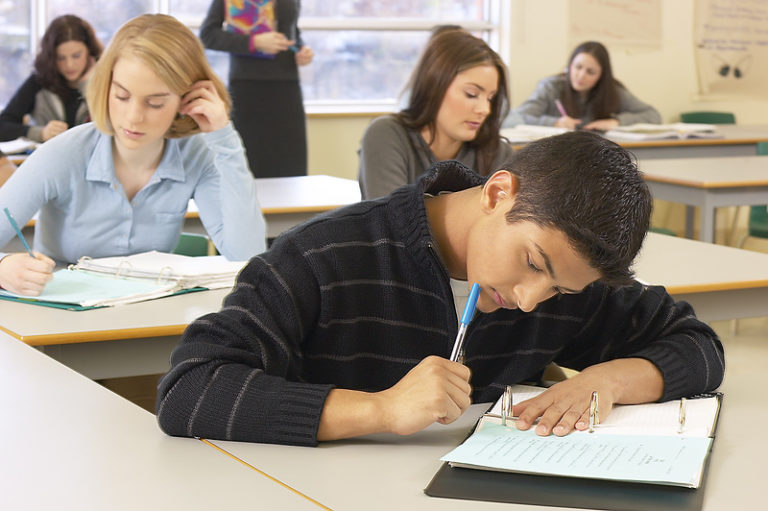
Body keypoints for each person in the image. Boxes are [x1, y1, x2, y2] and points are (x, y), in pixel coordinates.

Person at [156, 131, 724, 447]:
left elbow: (697, 345)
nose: (531, 300)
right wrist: (379, 411)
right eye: (531, 262)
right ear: (499, 192)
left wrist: (608, 380)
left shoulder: (566, 278)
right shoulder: (323, 256)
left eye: (560, 292)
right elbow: (190, 389)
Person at [0, 14, 266, 297]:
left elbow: (247, 257)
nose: (133, 118)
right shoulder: (63, 153)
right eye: (122, 96)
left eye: (155, 103)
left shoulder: (197, 154)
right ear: (106, 86)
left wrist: (223, 139)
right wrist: (4, 268)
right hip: (61, 321)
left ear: (186, 100)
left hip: (148, 319)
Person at [358, 29, 516, 200]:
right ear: (434, 86)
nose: (485, 109)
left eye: (490, 98)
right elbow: (392, 221)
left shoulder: (498, 153)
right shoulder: (386, 134)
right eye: (471, 94)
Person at [200, 0, 313, 178]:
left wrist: (301, 49)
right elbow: (207, 35)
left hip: (287, 88)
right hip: (247, 88)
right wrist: (253, 42)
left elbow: (290, 31)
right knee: (249, 166)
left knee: (292, 167)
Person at [513, 41, 661, 131]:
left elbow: (653, 115)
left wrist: (616, 122)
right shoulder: (551, 87)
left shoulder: (613, 91)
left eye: (590, 72)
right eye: (577, 67)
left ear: (602, 76)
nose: (581, 76)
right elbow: (518, 117)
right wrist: (555, 122)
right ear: (569, 66)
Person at [0, 15, 103, 143]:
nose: (69, 65)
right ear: (51, 57)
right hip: (48, 159)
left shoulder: (105, 80)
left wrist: (86, 87)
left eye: (76, 56)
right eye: (61, 58)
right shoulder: (39, 81)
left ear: (90, 52)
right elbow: (3, 126)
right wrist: (40, 133)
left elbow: (108, 127)